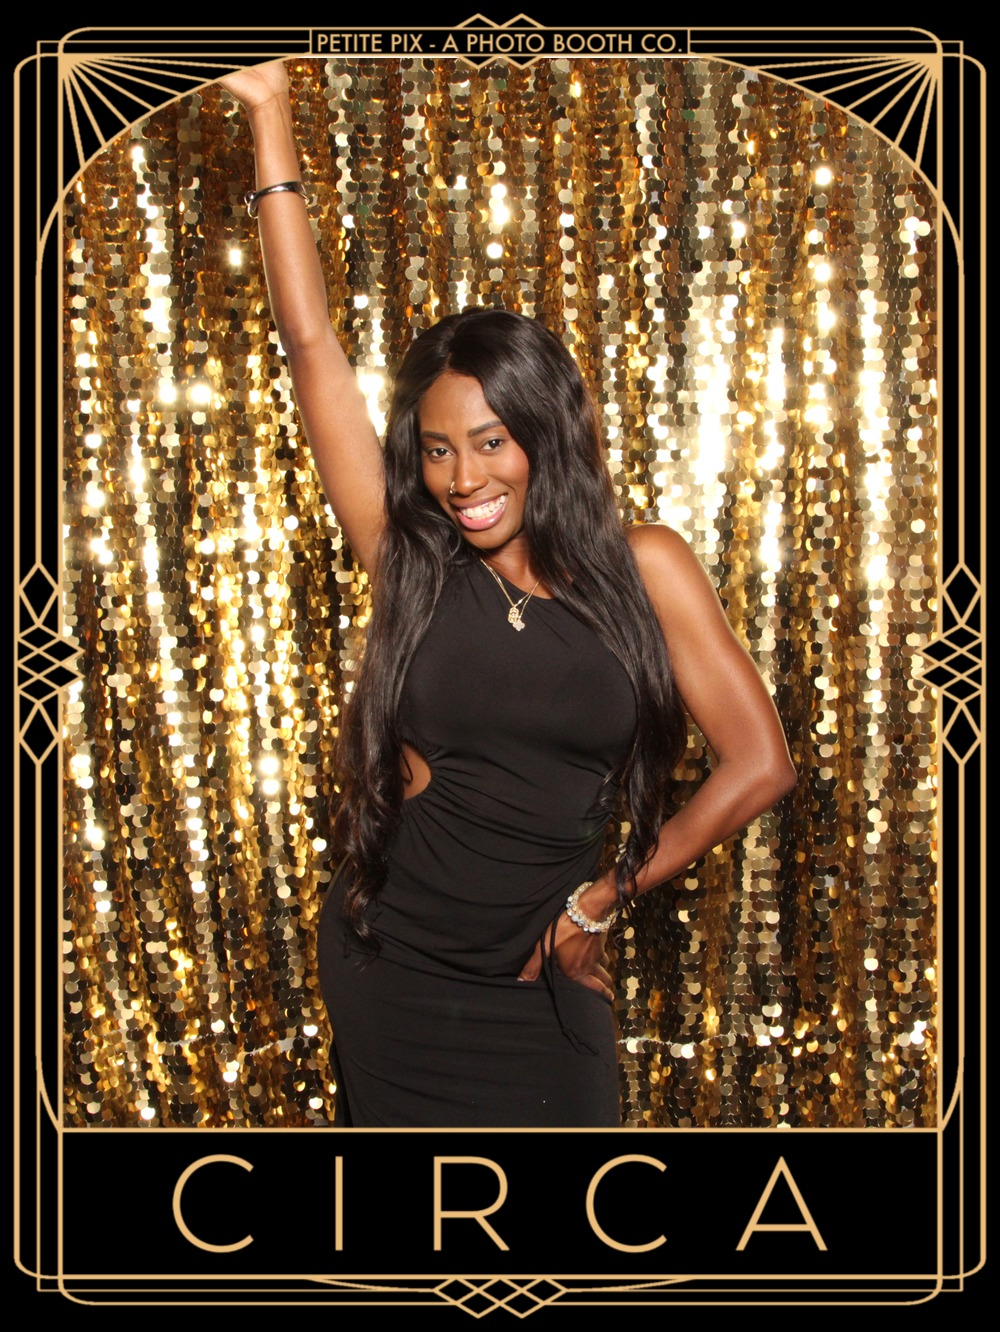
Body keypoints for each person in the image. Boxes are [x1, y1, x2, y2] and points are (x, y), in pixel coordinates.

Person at [219, 61, 797, 1128]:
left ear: (544, 433)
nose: (463, 478)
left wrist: (603, 899)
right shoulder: (413, 561)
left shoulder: (646, 567)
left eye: (491, 442)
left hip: (539, 975)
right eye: (438, 449)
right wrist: (270, 111)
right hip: (392, 962)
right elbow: (310, 346)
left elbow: (761, 763)